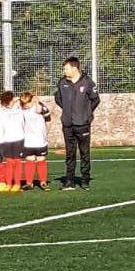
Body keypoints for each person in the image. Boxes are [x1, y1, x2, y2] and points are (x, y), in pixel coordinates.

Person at [54, 57, 100, 190]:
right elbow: (58, 98)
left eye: (66, 68)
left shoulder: (87, 82)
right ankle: (69, 181)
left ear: (74, 68)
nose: (64, 71)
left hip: (83, 124)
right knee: (70, 153)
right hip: (68, 123)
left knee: (84, 152)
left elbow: (95, 100)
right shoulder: (62, 82)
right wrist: (67, 110)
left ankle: (85, 180)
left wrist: (86, 113)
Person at [20, 92, 51, 190]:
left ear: (32, 100)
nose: (26, 106)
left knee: (41, 159)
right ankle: (29, 183)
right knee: (29, 159)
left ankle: (43, 182)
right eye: (23, 104)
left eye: (27, 103)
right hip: (28, 140)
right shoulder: (21, 108)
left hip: (40, 139)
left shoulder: (40, 107)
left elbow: (48, 121)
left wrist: (46, 134)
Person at [0, 91, 25, 192]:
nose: (7, 104)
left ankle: (17, 183)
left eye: (8, 102)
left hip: (19, 138)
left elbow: (32, 100)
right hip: (6, 139)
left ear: (13, 99)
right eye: (5, 103)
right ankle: (9, 183)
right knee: (9, 162)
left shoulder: (19, 107)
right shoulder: (1, 110)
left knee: (17, 161)